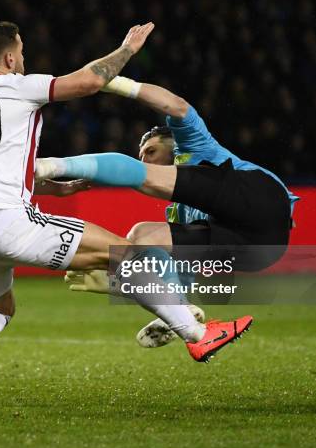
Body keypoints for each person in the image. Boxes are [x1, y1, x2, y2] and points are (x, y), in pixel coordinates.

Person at [0, 21, 252, 406]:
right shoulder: (19, 86)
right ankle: (197, 336)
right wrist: (127, 48)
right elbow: (90, 81)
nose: (24, 58)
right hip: (10, 221)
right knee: (123, 253)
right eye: (21, 51)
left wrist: (51, 188)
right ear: (9, 57)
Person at [35, 75, 299, 343]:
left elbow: (177, 105)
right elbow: (176, 270)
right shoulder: (179, 212)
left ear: (172, 143)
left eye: (150, 151)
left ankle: (48, 165)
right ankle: (179, 313)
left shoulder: (195, 143)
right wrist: (118, 282)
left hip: (262, 200)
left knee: (145, 182)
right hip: (262, 251)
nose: (144, 159)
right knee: (143, 238)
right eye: (141, 156)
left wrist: (113, 83)